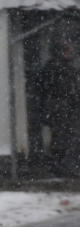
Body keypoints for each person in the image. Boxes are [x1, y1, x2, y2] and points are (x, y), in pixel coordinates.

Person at [37, 38, 80, 176]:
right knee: (64, 137)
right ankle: (63, 167)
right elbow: (54, 89)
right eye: (67, 49)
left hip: (64, 108)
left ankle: (62, 167)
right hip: (60, 108)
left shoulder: (63, 67)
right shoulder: (56, 68)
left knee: (65, 137)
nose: (71, 52)